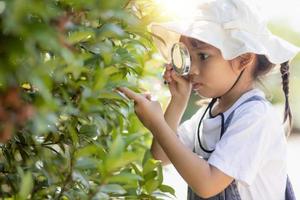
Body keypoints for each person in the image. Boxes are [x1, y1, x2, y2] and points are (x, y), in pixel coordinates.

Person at [115, 0, 299, 199]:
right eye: (187, 56)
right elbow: (162, 155)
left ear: (243, 59)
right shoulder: (207, 114)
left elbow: (208, 184)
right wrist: (178, 100)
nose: (192, 69)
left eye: (203, 56)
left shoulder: (255, 117)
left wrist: (157, 124)